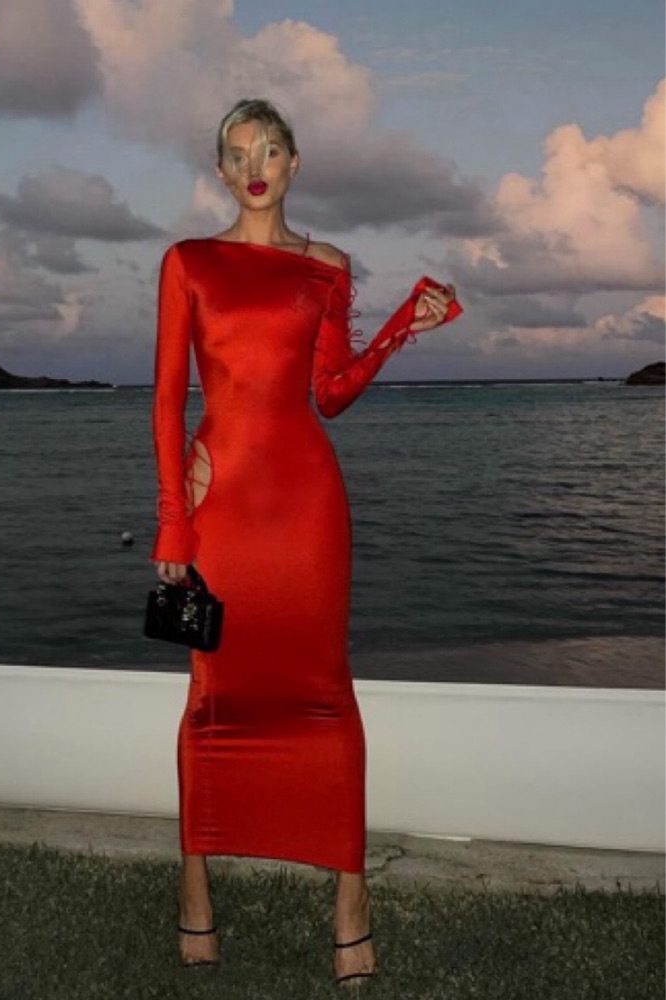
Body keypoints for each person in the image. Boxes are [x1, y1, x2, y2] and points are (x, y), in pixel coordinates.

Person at [151, 98, 460, 987]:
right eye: (238, 153)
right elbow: (168, 398)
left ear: (294, 163)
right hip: (219, 507)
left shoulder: (327, 268)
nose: (255, 167)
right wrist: (173, 517)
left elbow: (328, 394)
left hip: (308, 511)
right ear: (221, 171)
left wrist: (398, 329)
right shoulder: (188, 262)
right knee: (211, 694)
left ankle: (350, 905)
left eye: (271, 150)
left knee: (326, 695)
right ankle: (196, 891)